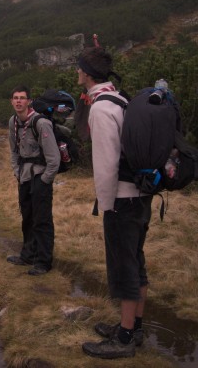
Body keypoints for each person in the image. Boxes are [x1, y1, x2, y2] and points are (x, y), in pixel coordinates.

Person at [76, 47, 151, 360]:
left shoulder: (101, 108)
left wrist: (107, 206)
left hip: (122, 199)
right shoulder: (120, 98)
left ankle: (124, 338)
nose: (77, 72)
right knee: (135, 261)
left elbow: (106, 164)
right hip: (141, 195)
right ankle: (135, 326)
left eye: (79, 68)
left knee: (124, 268)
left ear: (87, 73)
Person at [6, 85, 61, 276]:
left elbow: (54, 158)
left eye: (22, 98)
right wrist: (17, 172)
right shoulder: (13, 122)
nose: (18, 101)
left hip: (40, 176)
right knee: (27, 216)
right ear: (11, 101)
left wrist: (45, 179)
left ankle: (44, 262)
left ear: (29, 101)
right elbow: (14, 151)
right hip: (24, 176)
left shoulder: (41, 123)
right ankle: (28, 255)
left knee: (42, 220)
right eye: (15, 98)